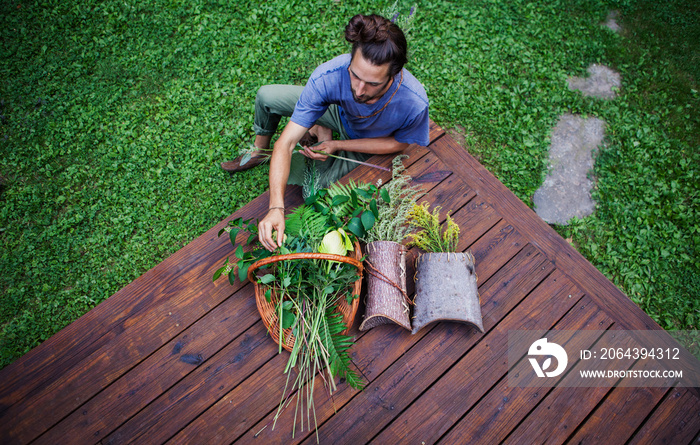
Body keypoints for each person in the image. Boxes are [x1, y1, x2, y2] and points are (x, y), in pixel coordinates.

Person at [221, 13, 430, 251]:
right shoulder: (328, 76)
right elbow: (286, 143)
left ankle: (320, 129)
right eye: (355, 75)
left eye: (372, 84)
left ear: (393, 76)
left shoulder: (414, 103)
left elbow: (399, 144)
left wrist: (337, 146)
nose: (359, 90)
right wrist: (275, 208)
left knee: (314, 193)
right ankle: (259, 150)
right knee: (266, 96)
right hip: (338, 114)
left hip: (367, 141)